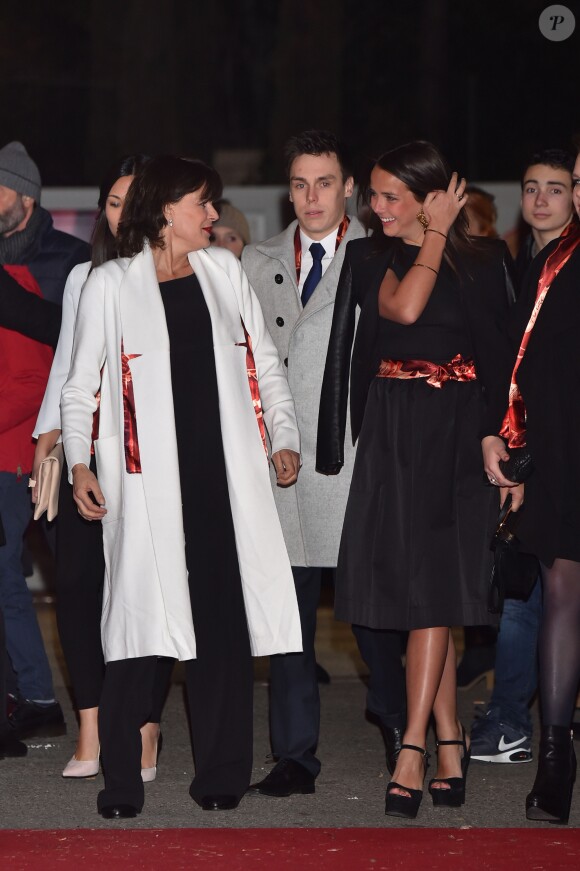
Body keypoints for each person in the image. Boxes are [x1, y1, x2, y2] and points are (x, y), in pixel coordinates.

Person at [60, 155, 302, 819]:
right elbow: (80, 387)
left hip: (224, 479)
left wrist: (284, 435)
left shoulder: (225, 271)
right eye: (204, 203)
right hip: (145, 485)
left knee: (222, 626)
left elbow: (266, 365)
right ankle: (121, 781)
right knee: (139, 634)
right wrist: (79, 461)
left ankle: (221, 773)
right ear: (166, 210)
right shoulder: (110, 283)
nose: (214, 216)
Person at [317, 141, 514, 819]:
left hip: (459, 437)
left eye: (390, 196)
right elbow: (401, 311)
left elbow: (502, 360)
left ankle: (412, 745)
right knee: (412, 593)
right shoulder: (368, 256)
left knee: (433, 593)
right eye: (372, 195)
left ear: (433, 198)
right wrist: (429, 232)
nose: (375, 208)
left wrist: (505, 441)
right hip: (395, 435)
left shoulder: (489, 260)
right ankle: (451, 737)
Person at [242, 130, 406, 797]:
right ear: (290, 190)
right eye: (301, 184)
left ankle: (405, 731)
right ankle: (293, 756)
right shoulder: (253, 262)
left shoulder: (381, 258)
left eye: (325, 183)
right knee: (288, 621)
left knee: (371, 617)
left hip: (353, 464)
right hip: (278, 467)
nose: (312, 197)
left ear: (347, 191)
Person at [32, 155, 170, 779]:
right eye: (112, 204)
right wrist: (46, 443)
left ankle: (144, 725)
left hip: (151, 462)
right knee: (80, 590)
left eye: (131, 203)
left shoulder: (174, 279)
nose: (120, 216)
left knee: (149, 593)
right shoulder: (84, 279)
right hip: (84, 454)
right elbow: (66, 368)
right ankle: (89, 724)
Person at [482, 146, 580, 825]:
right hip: (562, 454)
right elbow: (520, 369)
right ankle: (553, 755)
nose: (550, 197)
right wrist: (511, 449)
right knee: (559, 595)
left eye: (562, 187)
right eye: (536, 187)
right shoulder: (540, 264)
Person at [0, 141, 89, 739]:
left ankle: (99, 706)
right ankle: (31, 695)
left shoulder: (70, 261)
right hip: (7, 446)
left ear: (24, 197)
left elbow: (68, 357)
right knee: (5, 572)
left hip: (64, 443)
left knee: (79, 581)